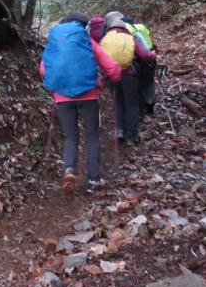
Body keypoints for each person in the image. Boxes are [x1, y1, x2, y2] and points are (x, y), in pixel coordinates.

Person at [40, 11, 121, 193]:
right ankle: (94, 179)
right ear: (82, 26)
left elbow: (44, 70)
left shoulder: (55, 43)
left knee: (71, 136)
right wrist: (114, 78)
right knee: (92, 135)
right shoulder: (86, 42)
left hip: (62, 97)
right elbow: (111, 66)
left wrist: (57, 86)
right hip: (88, 95)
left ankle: (69, 169)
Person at [102, 13, 157, 146]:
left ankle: (120, 131)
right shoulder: (130, 37)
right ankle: (131, 137)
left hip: (111, 75)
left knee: (119, 102)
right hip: (129, 75)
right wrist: (153, 54)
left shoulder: (105, 39)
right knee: (132, 105)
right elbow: (145, 55)